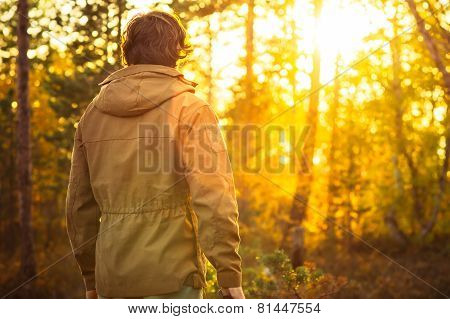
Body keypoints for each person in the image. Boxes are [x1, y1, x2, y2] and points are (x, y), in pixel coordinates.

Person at [66, 11, 244, 299]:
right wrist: (229, 274)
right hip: (174, 279)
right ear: (177, 52)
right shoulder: (192, 109)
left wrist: (91, 277)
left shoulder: (93, 114)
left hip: (112, 279)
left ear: (129, 52)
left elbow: (78, 206)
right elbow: (214, 196)